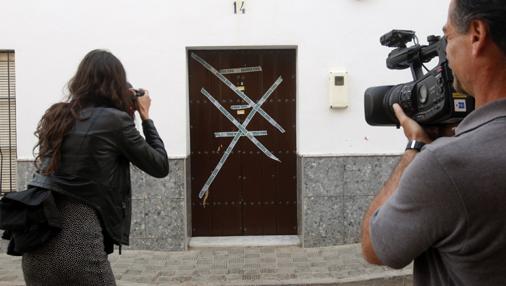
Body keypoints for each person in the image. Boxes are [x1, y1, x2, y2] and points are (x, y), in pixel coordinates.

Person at [361, 0, 506, 285]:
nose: (447, 54)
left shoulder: (446, 165)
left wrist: (416, 147)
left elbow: (374, 247)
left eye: (448, 38)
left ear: (477, 34)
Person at [21, 49, 169, 285]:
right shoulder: (115, 121)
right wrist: (145, 116)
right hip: (78, 239)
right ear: (118, 84)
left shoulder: (58, 115)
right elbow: (160, 165)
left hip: (35, 241)